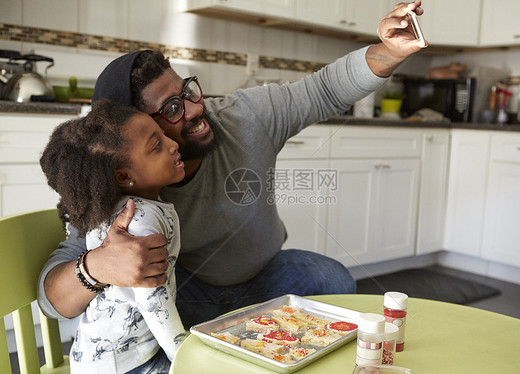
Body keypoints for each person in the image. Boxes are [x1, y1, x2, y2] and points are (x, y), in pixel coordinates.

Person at [38, 1, 427, 329]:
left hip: (266, 280)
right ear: (137, 133)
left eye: (187, 90)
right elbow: (52, 299)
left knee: (330, 277)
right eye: (172, 109)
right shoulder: (113, 189)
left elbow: (323, 89)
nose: (195, 109)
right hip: (183, 296)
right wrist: (96, 268)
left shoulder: (245, 117)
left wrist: (389, 51)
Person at [40, 99, 187, 373]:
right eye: (157, 146)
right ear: (124, 176)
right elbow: (152, 298)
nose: (173, 144)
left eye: (164, 134)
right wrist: (182, 352)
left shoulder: (121, 210)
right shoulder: (141, 219)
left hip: (121, 355)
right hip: (123, 363)